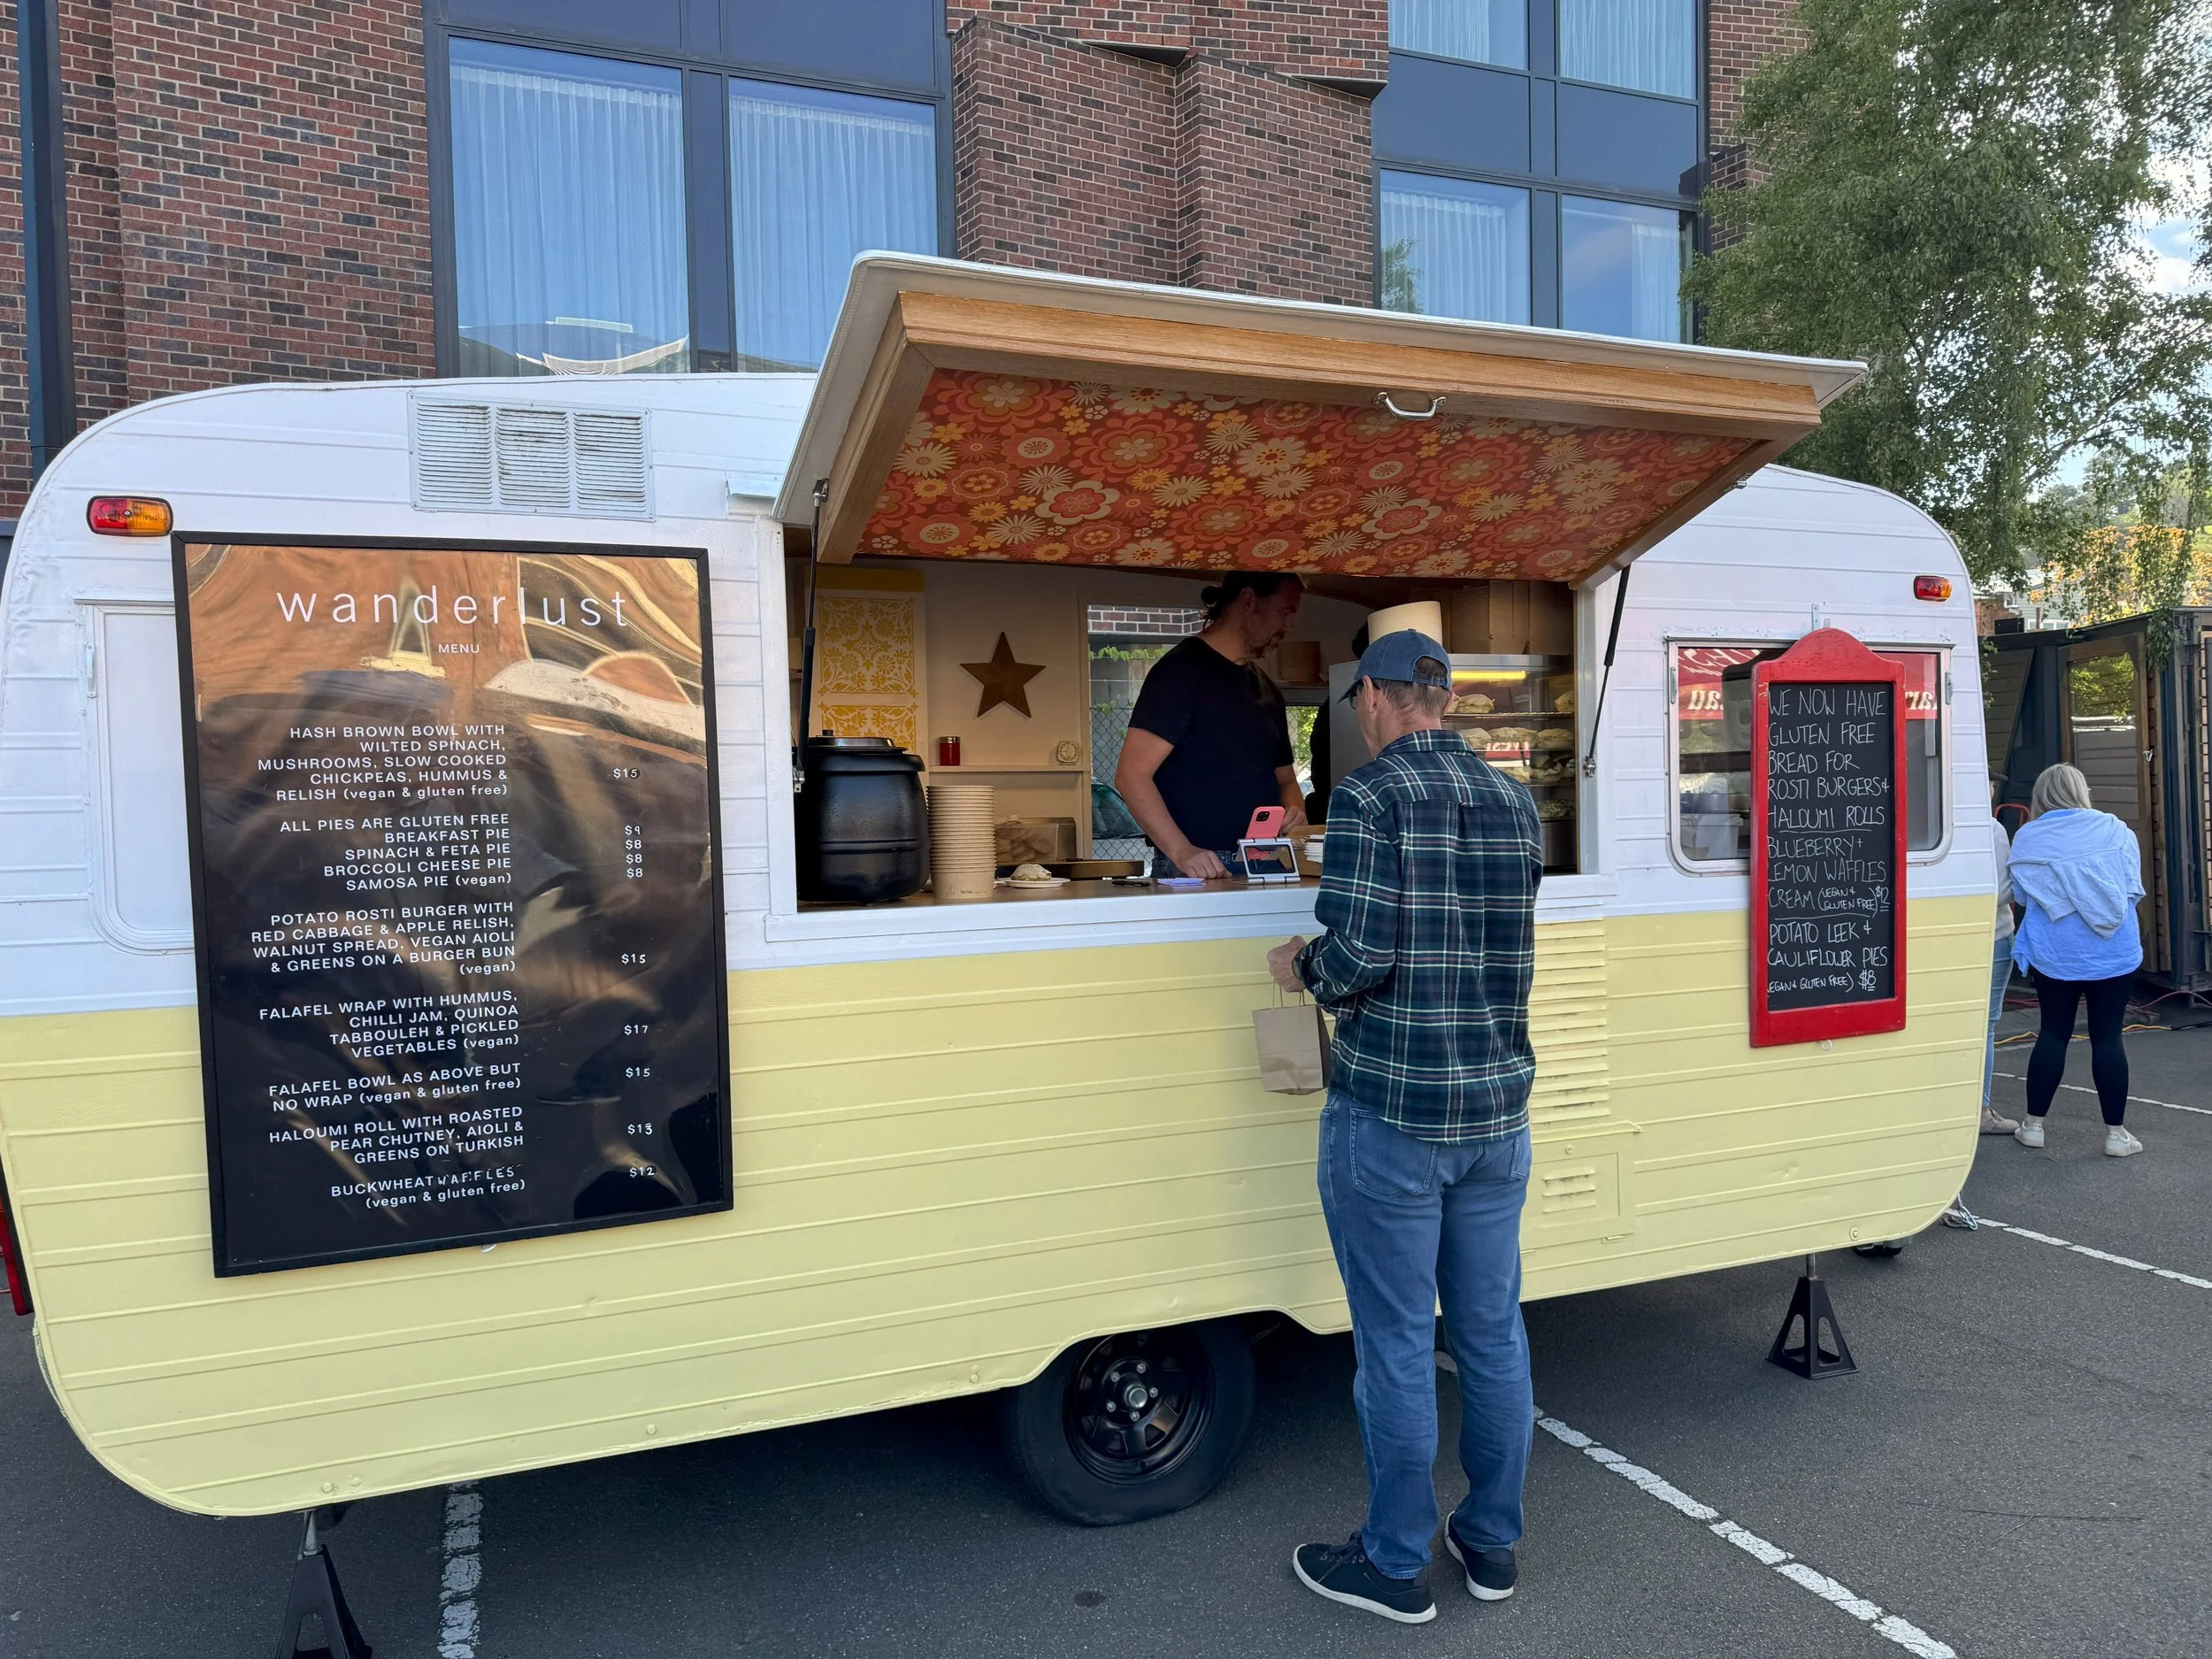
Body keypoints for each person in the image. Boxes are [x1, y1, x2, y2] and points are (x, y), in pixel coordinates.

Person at [1263, 628, 1542, 1625]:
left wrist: (1302, 965)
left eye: (1357, 708)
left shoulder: (1372, 796)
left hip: (1392, 1113)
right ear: (1447, 700)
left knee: (1392, 1345)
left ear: (1377, 700)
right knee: (1491, 1334)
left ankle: (1391, 1565)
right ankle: (1492, 1544)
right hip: (1496, 1113)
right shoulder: (1517, 802)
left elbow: (1361, 954)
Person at [1117, 572, 1306, 878]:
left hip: (1267, 860)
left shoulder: (1268, 688)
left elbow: (1285, 780)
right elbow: (1131, 777)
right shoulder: (1179, 673)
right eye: (1284, 612)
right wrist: (1181, 851)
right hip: (1195, 868)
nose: (1289, 627)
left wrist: (1296, 813)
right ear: (1248, 599)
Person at [2008, 763, 2145, 1157]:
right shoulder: (2116, 829)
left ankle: (2033, 1126)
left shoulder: (2029, 836)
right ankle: (2116, 1136)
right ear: (2082, 790)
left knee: (2053, 1033)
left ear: (2041, 794)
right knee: (2108, 1037)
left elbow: (2019, 894)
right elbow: (2131, 889)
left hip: (2054, 953)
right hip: (2114, 953)